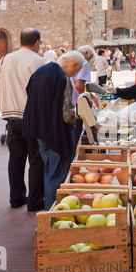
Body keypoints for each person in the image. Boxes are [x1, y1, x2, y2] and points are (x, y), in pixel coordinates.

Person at [0, 28, 46, 211]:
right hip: (32, 118)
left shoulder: (6, 59)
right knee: (36, 160)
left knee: (16, 159)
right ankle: (35, 201)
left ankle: (16, 197)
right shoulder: (40, 62)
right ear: (36, 43)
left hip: (11, 118)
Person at [22, 51, 84, 211]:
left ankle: (48, 209)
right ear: (73, 65)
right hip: (57, 135)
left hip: (40, 132)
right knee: (58, 175)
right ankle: (52, 212)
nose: (75, 75)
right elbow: (67, 113)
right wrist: (79, 114)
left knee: (49, 171)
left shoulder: (41, 71)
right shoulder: (62, 78)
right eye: (76, 72)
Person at [71, 45, 96, 148]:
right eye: (89, 58)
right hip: (77, 104)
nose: (88, 60)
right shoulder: (83, 62)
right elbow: (79, 85)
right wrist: (88, 98)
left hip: (67, 104)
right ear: (85, 53)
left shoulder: (69, 60)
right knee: (75, 134)